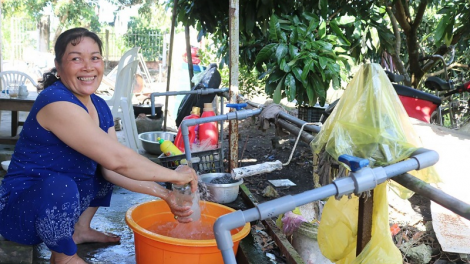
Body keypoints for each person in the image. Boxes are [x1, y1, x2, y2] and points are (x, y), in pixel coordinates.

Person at [0, 27, 198, 264]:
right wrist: (174, 176)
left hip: (63, 200)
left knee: (102, 167)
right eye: (76, 58)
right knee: (63, 185)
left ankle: (81, 229)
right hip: (22, 211)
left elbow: (112, 168)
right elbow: (119, 159)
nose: (88, 67)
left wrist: (165, 194)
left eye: (94, 58)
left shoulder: (100, 106)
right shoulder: (55, 102)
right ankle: (64, 256)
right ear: (59, 66)